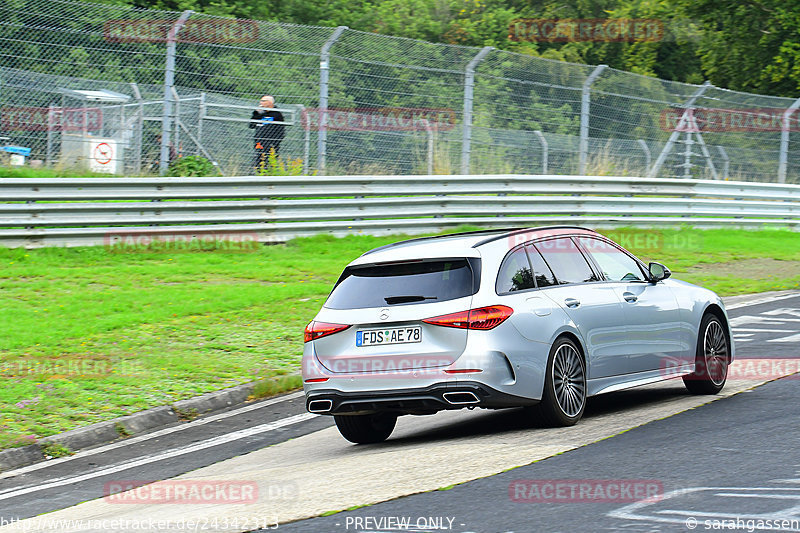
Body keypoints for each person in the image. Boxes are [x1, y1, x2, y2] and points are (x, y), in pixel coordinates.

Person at [250, 95, 285, 170]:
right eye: (261, 101)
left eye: (263, 101)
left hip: (271, 142)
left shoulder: (276, 114)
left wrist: (276, 142)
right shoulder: (260, 113)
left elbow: (281, 130)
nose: (261, 103)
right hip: (259, 141)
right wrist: (256, 114)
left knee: (270, 160)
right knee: (259, 159)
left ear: (270, 103)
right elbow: (251, 125)